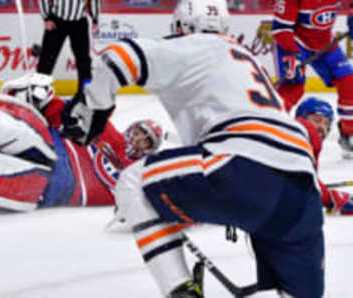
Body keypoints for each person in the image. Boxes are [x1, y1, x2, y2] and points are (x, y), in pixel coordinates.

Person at [59, 0, 324, 297]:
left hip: (241, 165)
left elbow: (116, 59)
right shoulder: (246, 59)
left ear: (182, 26)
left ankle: (180, 290)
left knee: (134, 183)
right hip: (304, 194)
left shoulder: (196, 45)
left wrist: (92, 110)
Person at [0, 71, 162, 211]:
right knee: (27, 138)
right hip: (59, 150)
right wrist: (45, 100)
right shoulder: (110, 133)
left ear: (148, 151)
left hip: (62, 190)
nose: (139, 140)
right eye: (140, 132)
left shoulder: (138, 174)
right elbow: (73, 114)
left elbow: (156, 195)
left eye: (146, 142)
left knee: (18, 179)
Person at [271, 0, 353, 159]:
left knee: (348, 82)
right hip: (294, 42)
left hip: (324, 41)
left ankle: (349, 134)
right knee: (293, 87)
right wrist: (291, 53)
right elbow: (281, 28)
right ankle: (271, 131)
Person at [295, 96, 353, 215]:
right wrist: (332, 199)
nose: (322, 127)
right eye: (317, 120)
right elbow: (304, 183)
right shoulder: (306, 135)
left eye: (326, 123)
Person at [36, 0, 99, 93]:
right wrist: (47, 17)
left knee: (84, 62)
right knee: (46, 60)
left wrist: (95, 19)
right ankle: (38, 93)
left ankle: (86, 95)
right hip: (56, 20)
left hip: (79, 21)